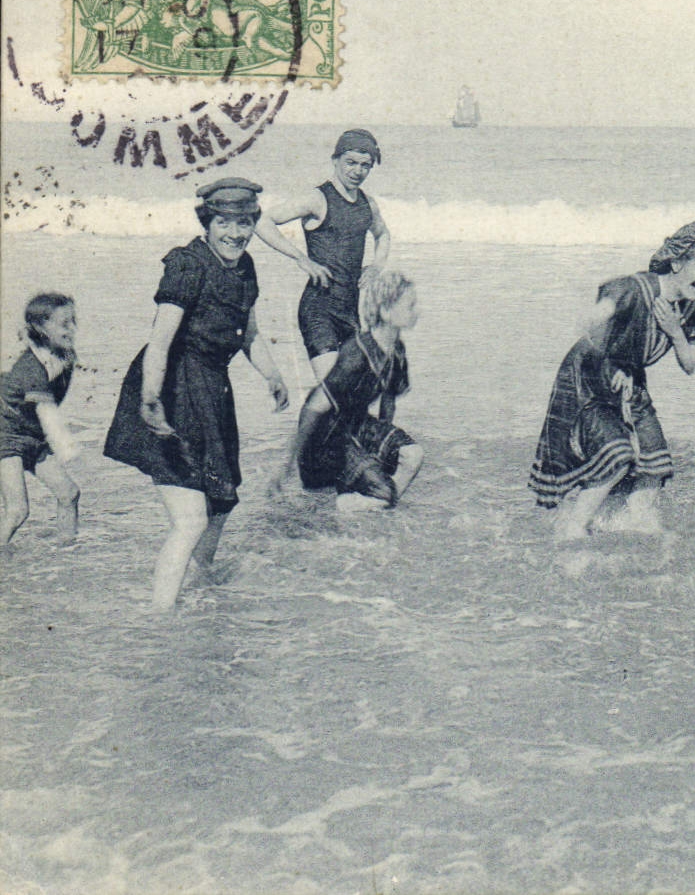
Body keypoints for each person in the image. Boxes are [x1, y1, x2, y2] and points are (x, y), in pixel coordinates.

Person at [104, 179, 290, 611]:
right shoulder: (188, 266)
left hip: (212, 393)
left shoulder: (244, 267)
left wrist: (272, 374)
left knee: (220, 503)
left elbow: (250, 332)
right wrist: (151, 398)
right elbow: (160, 339)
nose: (235, 233)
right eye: (224, 222)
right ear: (207, 222)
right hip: (173, 387)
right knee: (189, 520)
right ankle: (160, 619)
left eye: (245, 223)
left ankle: (202, 589)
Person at [531, 223, 695, 540]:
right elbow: (591, 321)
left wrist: (675, 332)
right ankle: (573, 528)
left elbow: (691, 364)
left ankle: (636, 522)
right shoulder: (635, 289)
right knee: (617, 455)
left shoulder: (692, 308)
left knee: (655, 464)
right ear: (677, 263)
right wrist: (613, 358)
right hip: (588, 374)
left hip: (631, 378)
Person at [268, 268, 425, 512]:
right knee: (383, 493)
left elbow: (389, 401)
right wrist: (287, 465)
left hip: (356, 425)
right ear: (385, 310)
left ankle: (376, 507)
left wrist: (380, 452)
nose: (417, 311)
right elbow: (313, 408)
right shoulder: (357, 354)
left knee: (413, 455)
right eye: (410, 305)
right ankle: (343, 507)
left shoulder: (397, 351)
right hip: (326, 438)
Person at [254, 128, 391, 380]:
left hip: (350, 311)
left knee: (354, 394)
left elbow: (383, 235)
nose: (357, 171)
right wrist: (300, 258)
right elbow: (262, 220)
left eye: (365, 165)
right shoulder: (317, 198)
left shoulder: (367, 204)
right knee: (333, 391)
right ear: (335, 160)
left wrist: (376, 266)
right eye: (350, 162)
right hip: (319, 310)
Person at [1, 293, 81, 545]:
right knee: (17, 511)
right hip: (6, 436)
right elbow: (48, 414)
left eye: (73, 321)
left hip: (32, 435)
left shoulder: (64, 355)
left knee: (69, 493)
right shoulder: (30, 368)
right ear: (40, 328)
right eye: (64, 324)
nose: (72, 329)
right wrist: (67, 448)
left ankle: (66, 552)